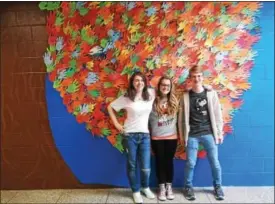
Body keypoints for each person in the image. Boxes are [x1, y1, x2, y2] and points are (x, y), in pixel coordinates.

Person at [178, 65, 225, 201]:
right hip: (192, 134)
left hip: (208, 133)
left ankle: (218, 187)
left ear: (202, 77)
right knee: (190, 163)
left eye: (199, 76)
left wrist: (219, 132)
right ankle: (188, 187)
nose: (197, 79)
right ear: (190, 78)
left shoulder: (211, 94)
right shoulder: (185, 96)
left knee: (214, 162)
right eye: (194, 76)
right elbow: (181, 119)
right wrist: (182, 136)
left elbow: (217, 114)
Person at [107, 72, 155, 203]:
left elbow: (166, 91)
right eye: (136, 81)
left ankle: (145, 187)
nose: (139, 83)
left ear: (145, 82)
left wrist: (207, 88)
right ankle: (136, 191)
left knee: (146, 167)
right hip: (130, 136)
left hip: (145, 135)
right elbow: (110, 107)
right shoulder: (127, 97)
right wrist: (116, 123)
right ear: (132, 83)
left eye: (141, 80)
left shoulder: (151, 94)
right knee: (132, 165)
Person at [149, 76, 179, 201]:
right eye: (163, 85)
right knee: (159, 162)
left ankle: (169, 187)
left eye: (168, 85)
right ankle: (161, 188)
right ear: (159, 86)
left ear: (171, 87)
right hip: (157, 137)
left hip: (172, 137)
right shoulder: (152, 100)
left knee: (169, 162)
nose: (165, 87)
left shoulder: (175, 100)